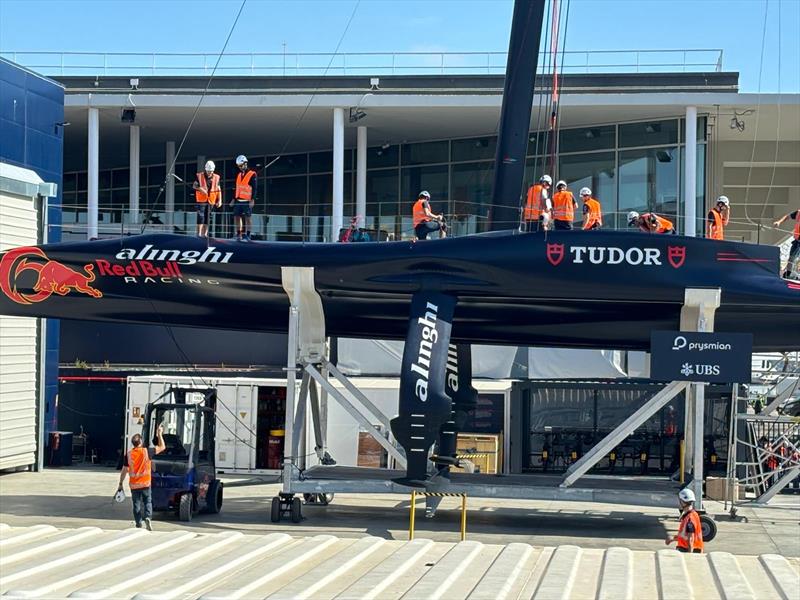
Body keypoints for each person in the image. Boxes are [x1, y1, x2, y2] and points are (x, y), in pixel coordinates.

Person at [117, 426, 166, 530]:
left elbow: (124, 470)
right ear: (141, 442)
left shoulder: (129, 455)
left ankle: (138, 522)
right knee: (147, 501)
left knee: (136, 504)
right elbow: (162, 447)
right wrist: (159, 434)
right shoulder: (147, 452)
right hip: (145, 484)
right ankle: (148, 517)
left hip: (134, 485)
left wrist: (120, 483)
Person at [665, 488, 704, 553]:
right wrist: (673, 539)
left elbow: (690, 539)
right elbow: (684, 536)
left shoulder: (690, 519)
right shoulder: (693, 514)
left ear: (682, 502)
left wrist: (689, 557)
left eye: (680, 500)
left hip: (688, 551)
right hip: (691, 550)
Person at [231, 155, 257, 242]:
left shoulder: (252, 174)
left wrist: (252, 199)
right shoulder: (239, 175)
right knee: (237, 217)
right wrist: (234, 199)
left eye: (241, 165)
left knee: (248, 217)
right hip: (239, 200)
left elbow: (254, 188)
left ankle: (248, 235)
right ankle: (239, 234)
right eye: (239, 166)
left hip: (247, 200)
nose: (240, 167)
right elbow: (237, 187)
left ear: (245, 163)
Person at [192, 161, 221, 238]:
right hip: (201, 200)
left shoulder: (216, 177)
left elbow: (218, 189)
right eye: (208, 171)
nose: (209, 173)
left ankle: (205, 234)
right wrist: (200, 189)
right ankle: (198, 234)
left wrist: (220, 200)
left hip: (211, 200)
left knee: (208, 218)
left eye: (211, 171)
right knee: (201, 217)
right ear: (205, 170)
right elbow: (194, 186)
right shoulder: (199, 176)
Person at [773, 208, 800, 279]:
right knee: (791, 258)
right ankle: (788, 274)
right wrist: (779, 222)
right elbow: (788, 216)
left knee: (795, 258)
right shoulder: (798, 212)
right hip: (797, 241)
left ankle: (792, 274)